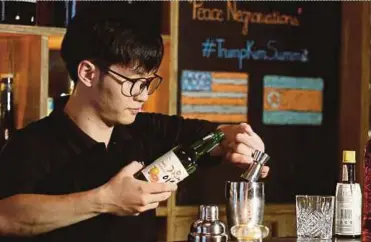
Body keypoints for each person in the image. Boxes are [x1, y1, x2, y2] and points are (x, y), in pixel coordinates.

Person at [0, 6, 269, 242]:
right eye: (133, 83)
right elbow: (6, 218)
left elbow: (212, 137)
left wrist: (237, 138)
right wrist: (106, 200)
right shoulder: (31, 144)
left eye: (148, 82)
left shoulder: (146, 129)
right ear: (88, 73)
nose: (143, 95)